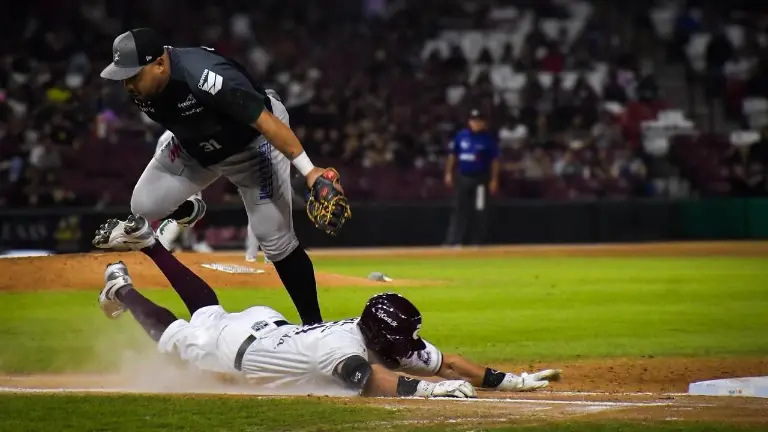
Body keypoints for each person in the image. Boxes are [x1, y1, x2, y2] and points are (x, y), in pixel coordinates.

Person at [94, 215, 562, 397]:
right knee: (181, 333)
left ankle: (152, 245)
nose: (411, 346)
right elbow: (372, 381)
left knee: (208, 308)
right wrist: (430, 392)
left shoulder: (379, 336)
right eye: (403, 338)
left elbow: (448, 362)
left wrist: (514, 380)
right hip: (235, 349)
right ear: (381, 336)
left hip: (266, 326)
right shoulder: (342, 348)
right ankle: (121, 289)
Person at [98, 28, 350, 325]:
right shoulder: (145, 87)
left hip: (253, 146)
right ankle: (189, 208)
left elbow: (266, 123)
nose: (127, 85)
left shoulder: (206, 77)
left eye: (133, 75)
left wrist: (310, 171)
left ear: (160, 64)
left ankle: (314, 326)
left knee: (275, 239)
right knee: (143, 206)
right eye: (124, 77)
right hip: (195, 148)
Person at [444, 109, 500, 246]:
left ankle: (477, 241)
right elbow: (453, 156)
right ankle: (454, 241)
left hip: (480, 178)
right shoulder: (461, 136)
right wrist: (448, 173)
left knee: (480, 209)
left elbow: (495, 161)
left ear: (483, 123)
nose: (475, 123)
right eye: (473, 120)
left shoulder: (488, 139)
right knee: (459, 208)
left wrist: (494, 179)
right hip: (463, 176)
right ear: (469, 122)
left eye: (478, 121)